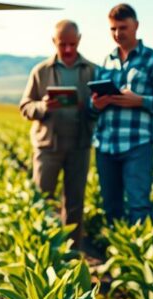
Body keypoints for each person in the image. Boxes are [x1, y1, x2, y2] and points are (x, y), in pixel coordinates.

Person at [90, 3, 153, 224]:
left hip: (137, 145)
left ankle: (139, 254)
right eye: (113, 29)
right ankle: (117, 253)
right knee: (111, 207)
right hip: (106, 145)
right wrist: (97, 104)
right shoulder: (105, 61)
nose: (117, 34)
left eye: (123, 27)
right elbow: (92, 105)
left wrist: (140, 101)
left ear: (136, 26)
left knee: (139, 206)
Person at [19, 20, 97, 248]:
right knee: (41, 200)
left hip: (79, 145)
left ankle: (72, 254)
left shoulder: (91, 70)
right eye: (63, 44)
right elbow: (25, 107)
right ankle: (40, 250)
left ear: (80, 40)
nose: (68, 49)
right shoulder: (41, 71)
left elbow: (101, 108)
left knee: (75, 204)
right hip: (47, 147)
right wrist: (43, 107)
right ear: (54, 42)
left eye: (72, 44)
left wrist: (90, 106)